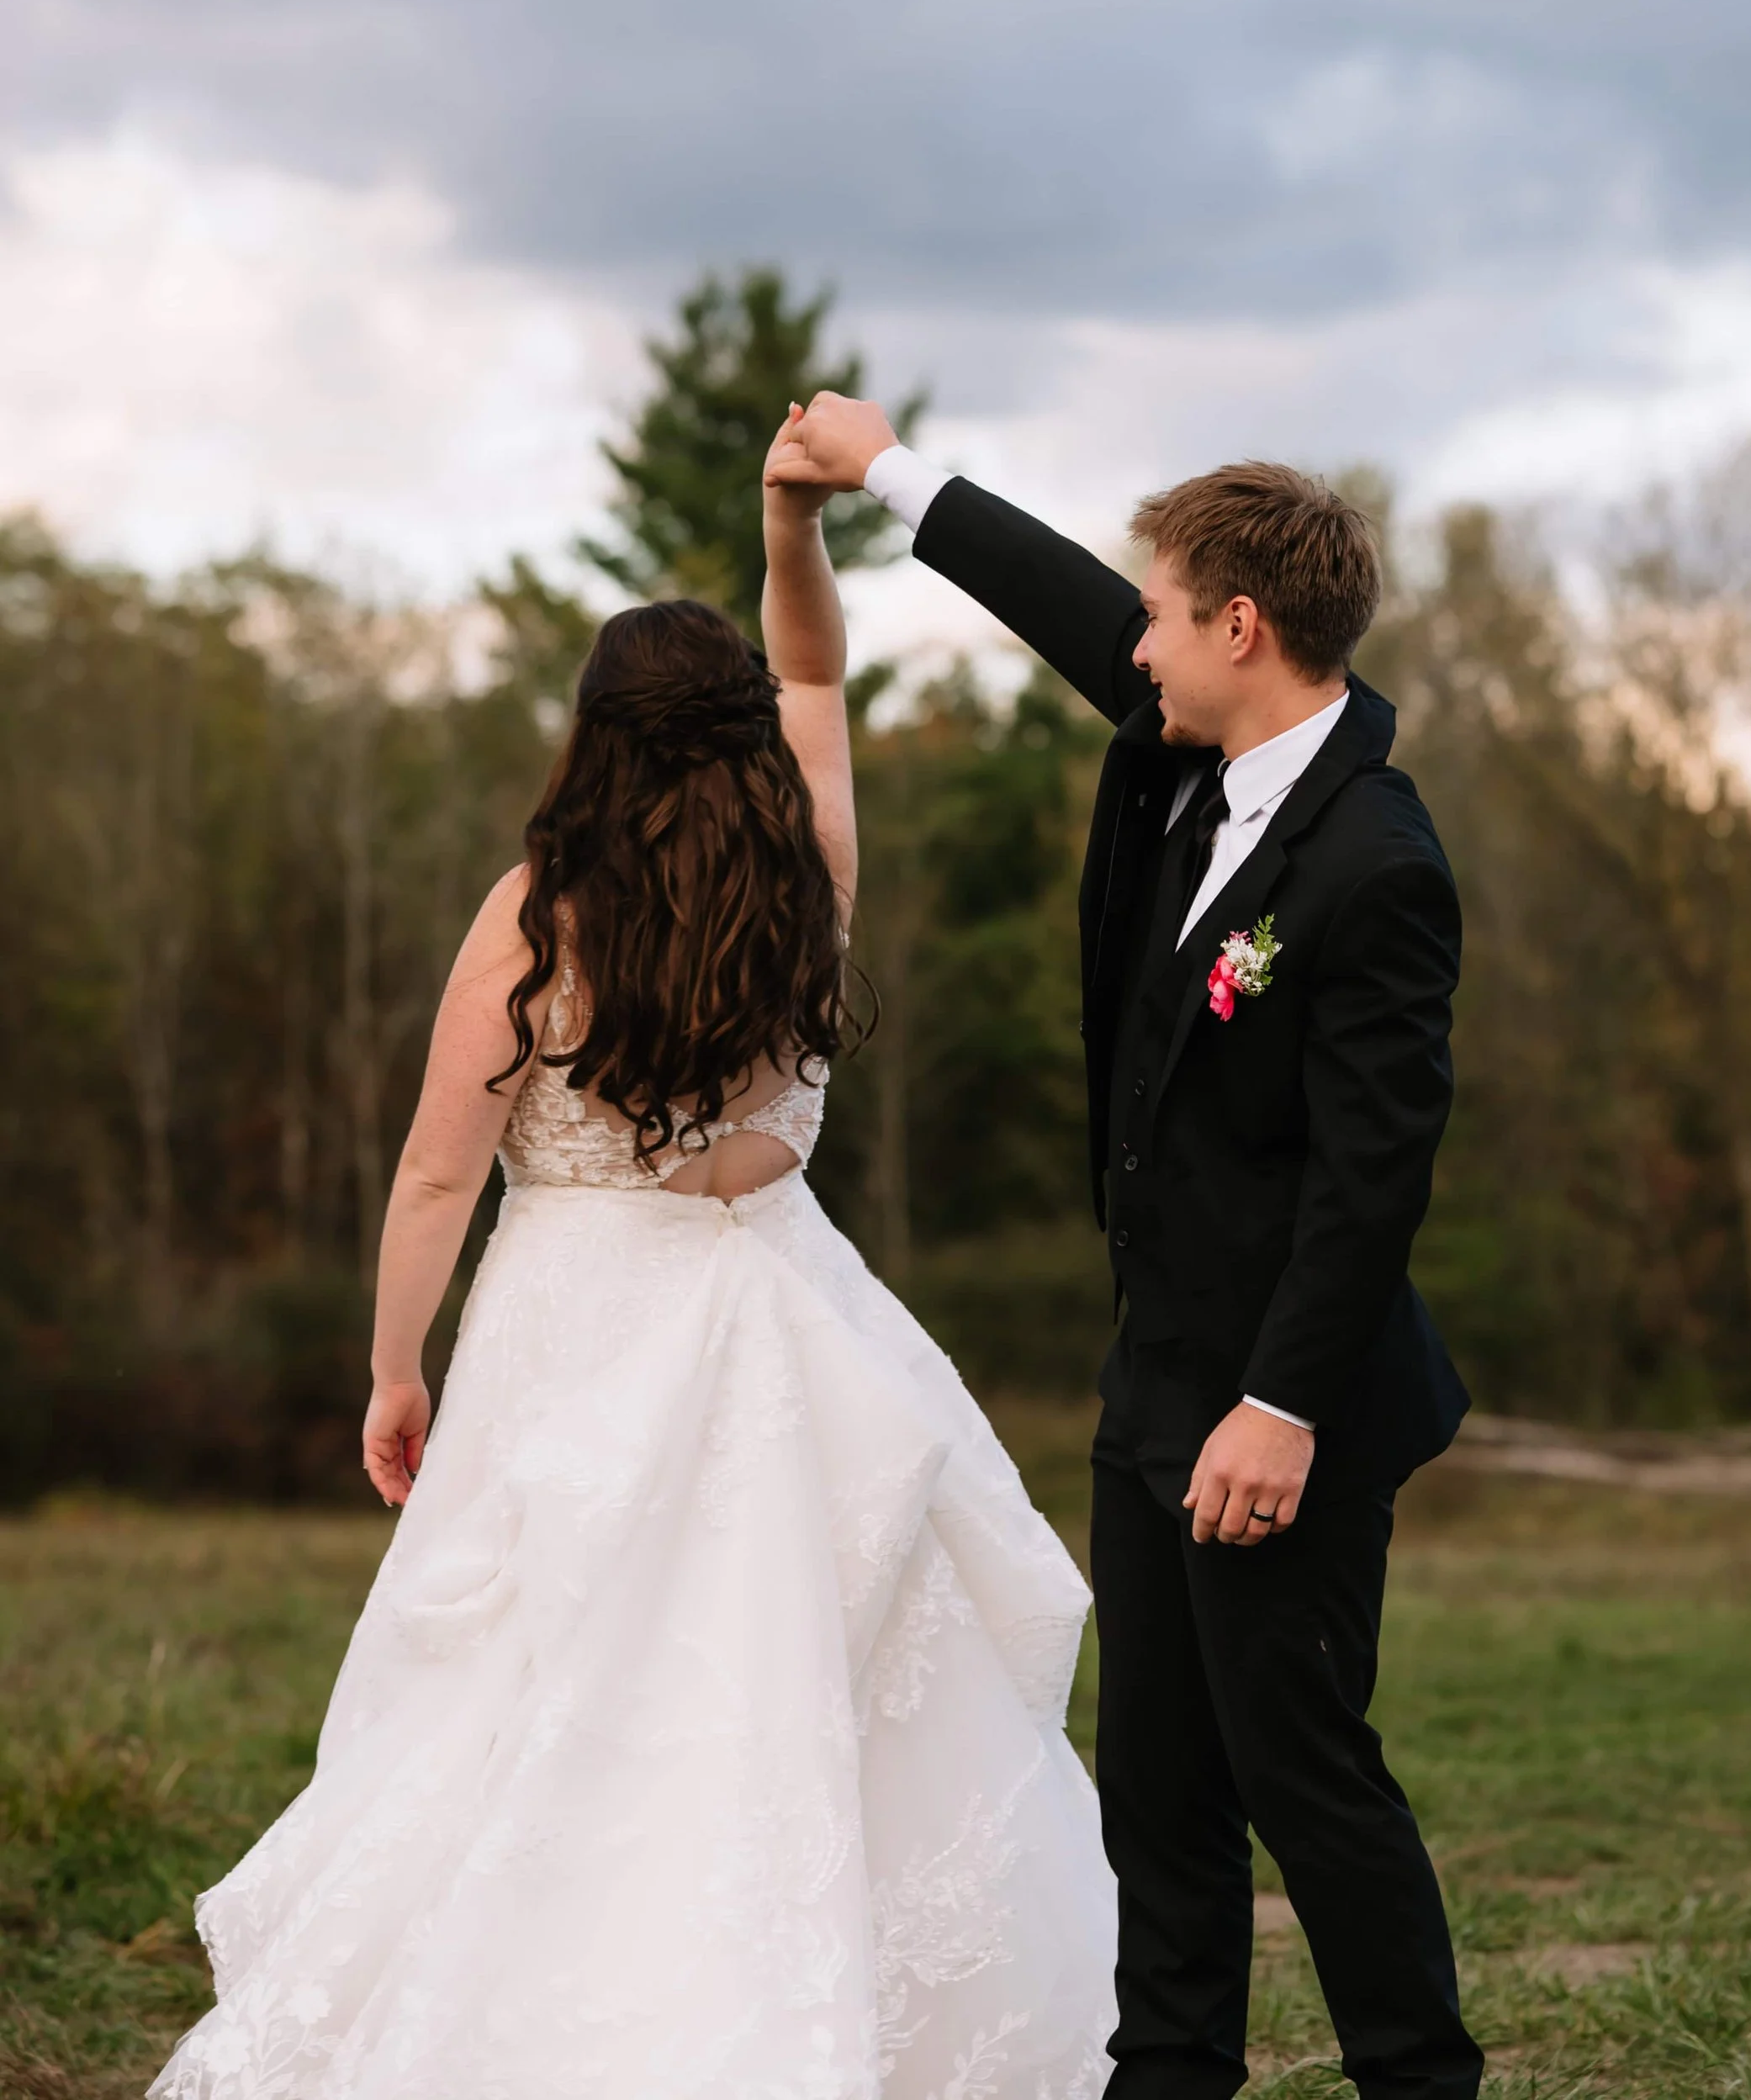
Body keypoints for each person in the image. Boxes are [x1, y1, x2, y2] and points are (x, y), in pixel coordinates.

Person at [151, 410, 1115, 2100]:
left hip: (575, 1331)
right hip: (789, 1312)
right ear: (745, 728)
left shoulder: (541, 912)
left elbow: (438, 1172)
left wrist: (393, 1368)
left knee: (545, 1695)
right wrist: (789, 525)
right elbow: (816, 672)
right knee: (807, 1690)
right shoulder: (809, 872)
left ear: (591, 737)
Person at [772, 403, 1484, 2100]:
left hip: (1286, 1410)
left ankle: (1421, 2083)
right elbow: (1068, 607)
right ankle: (1167, 2077)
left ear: (1241, 626)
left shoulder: (1377, 861)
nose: (1133, 643)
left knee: (1302, 1772)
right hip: (1152, 1378)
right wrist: (884, 469)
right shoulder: (1183, 756)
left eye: (1159, 613)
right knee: (1158, 1782)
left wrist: (1280, 1408)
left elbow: (1373, 1178)